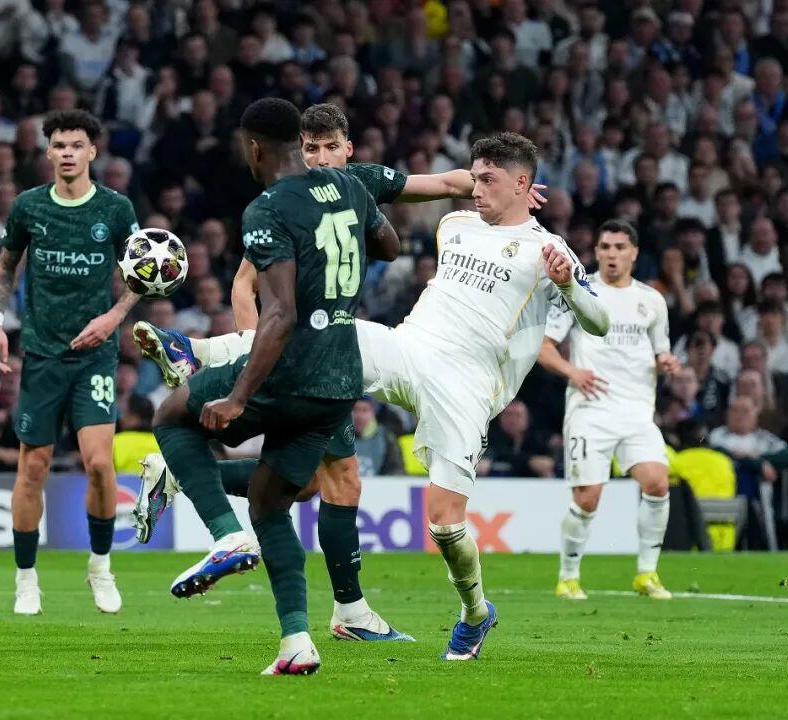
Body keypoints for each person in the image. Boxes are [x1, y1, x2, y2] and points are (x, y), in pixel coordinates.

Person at [143, 131, 607, 663]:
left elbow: (598, 321)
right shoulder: (455, 225)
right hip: (408, 347)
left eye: (488, 180)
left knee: (445, 525)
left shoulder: (548, 251)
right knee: (326, 327)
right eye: (474, 177)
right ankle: (196, 351)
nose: (475, 188)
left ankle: (475, 612)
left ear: (522, 184)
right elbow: (442, 185)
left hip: (467, 386)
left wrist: (568, 285)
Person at [147, 98, 399, 675]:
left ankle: (224, 535)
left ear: (254, 148)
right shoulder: (350, 187)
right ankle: (296, 643)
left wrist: (238, 397)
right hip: (340, 379)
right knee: (270, 501)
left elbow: (279, 312)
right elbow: (390, 247)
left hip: (292, 368)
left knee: (171, 415)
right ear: (298, 145)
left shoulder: (267, 207)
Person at [0, 109, 140, 616]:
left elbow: (141, 272)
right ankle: (26, 579)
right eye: (59, 145)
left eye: (77, 145)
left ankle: (100, 567)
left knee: (99, 464)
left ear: (93, 151)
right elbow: (6, 265)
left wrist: (113, 317)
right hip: (42, 355)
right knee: (33, 466)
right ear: (48, 152)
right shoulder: (29, 206)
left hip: (94, 356)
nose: (68, 153)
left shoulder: (115, 209)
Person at [538, 219, 682, 601]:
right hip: (591, 410)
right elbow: (544, 347)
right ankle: (568, 577)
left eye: (620, 247)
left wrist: (666, 362)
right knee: (587, 498)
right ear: (596, 252)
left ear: (634, 253)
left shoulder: (652, 300)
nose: (612, 254)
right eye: (605, 247)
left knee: (657, 482)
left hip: (637, 411)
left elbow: (660, 351)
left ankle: (647, 574)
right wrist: (573, 372)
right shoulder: (577, 291)